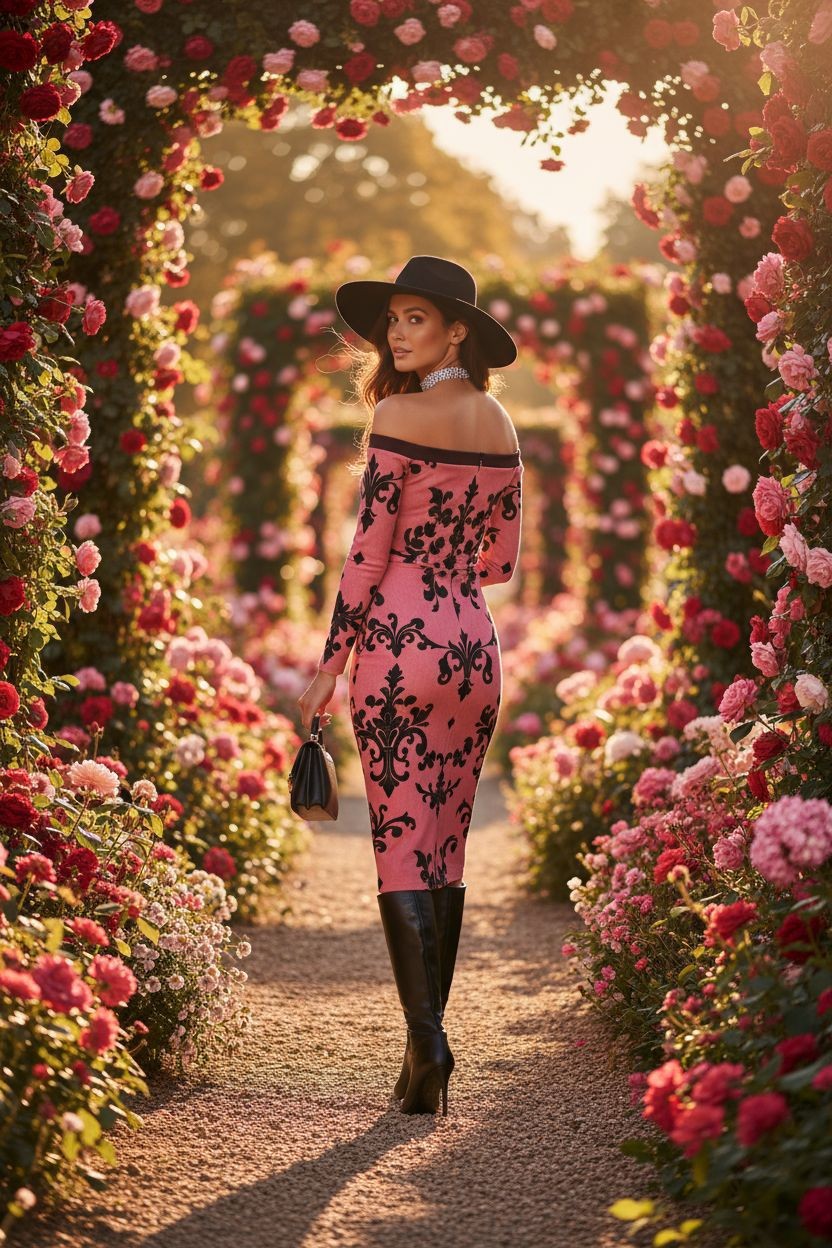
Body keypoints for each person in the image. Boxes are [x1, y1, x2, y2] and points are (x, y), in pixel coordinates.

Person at [298, 255, 522, 1116]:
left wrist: (329, 667)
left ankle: (428, 1045)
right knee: (446, 850)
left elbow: (366, 555)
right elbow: (500, 563)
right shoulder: (500, 421)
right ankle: (421, 1050)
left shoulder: (395, 413)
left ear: (457, 328)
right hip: (473, 647)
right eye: (391, 320)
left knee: (399, 845)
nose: (395, 333)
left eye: (414, 318)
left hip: (396, 646)